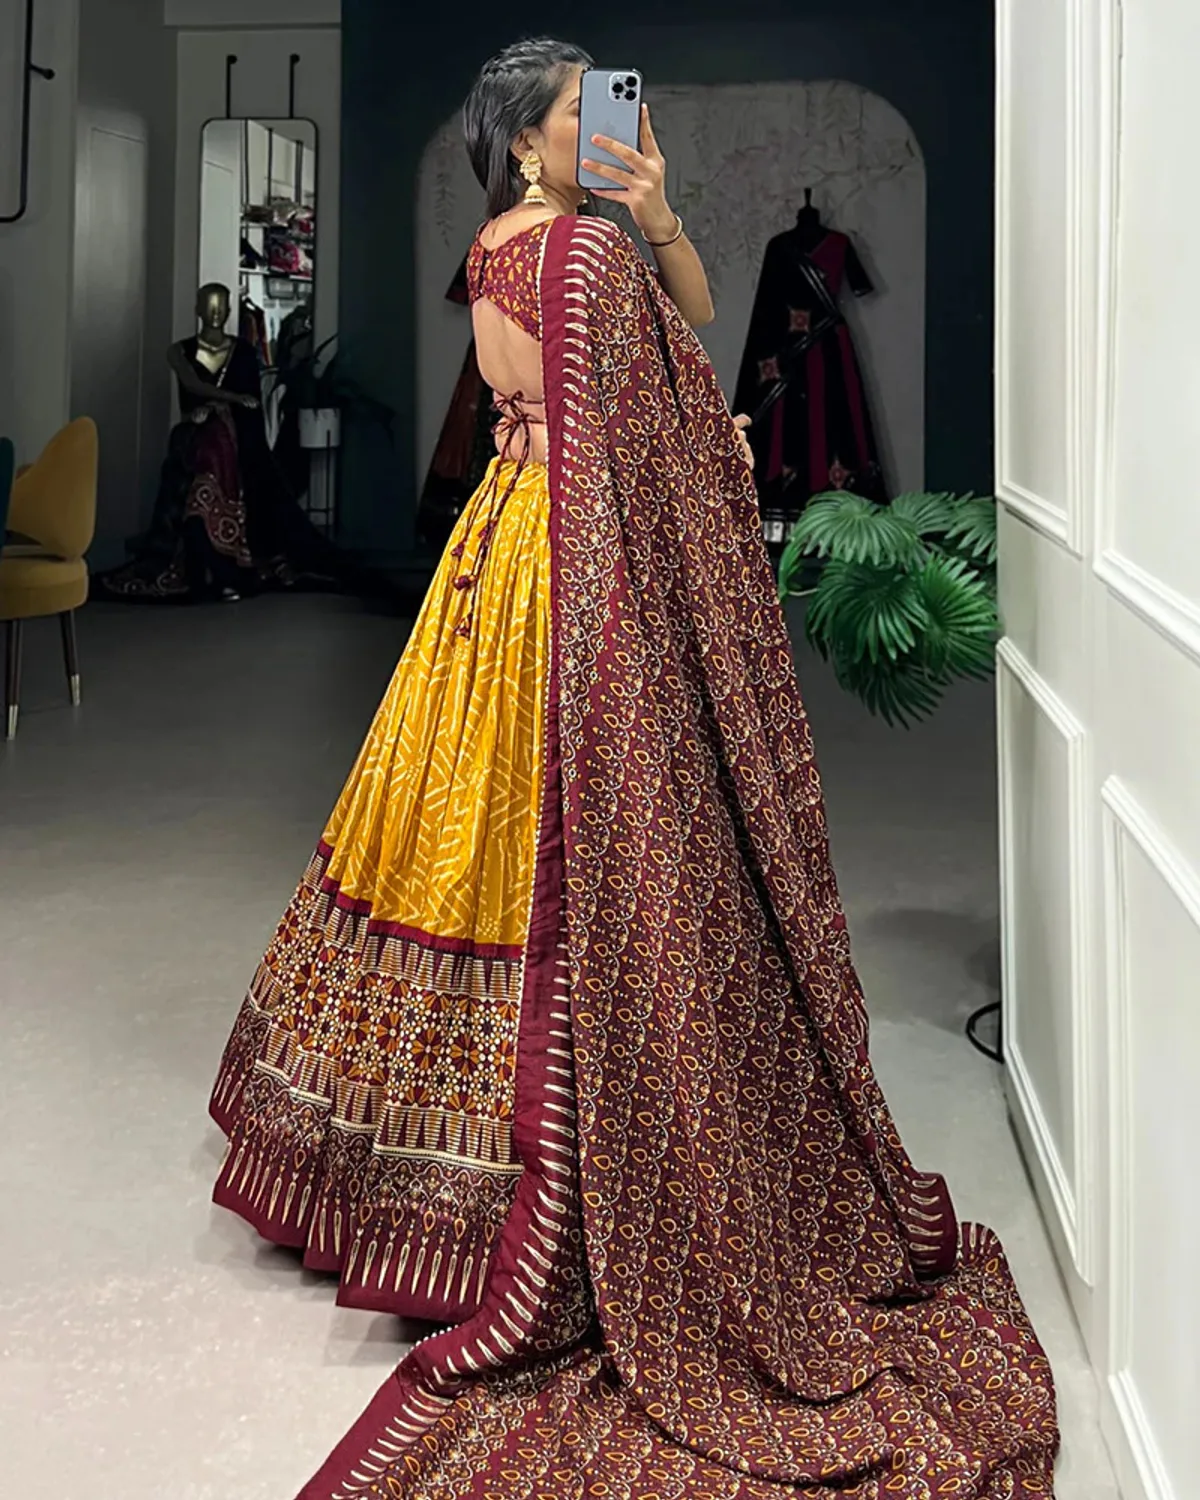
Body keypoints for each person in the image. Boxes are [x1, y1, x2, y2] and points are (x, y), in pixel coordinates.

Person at [208, 39, 1059, 1500]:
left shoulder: (502, 248)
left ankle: (390, 1182)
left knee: (447, 823)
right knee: (599, 857)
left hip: (504, 542)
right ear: (526, 141)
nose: (609, 130)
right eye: (579, 117)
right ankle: (556, 1194)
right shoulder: (587, 258)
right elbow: (666, 412)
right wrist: (711, 445)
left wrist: (658, 211)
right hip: (580, 568)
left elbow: (669, 338)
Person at [93, 284, 342, 603]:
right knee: (204, 446)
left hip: (230, 436)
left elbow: (251, 406)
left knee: (219, 444)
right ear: (197, 308)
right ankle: (201, 560)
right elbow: (192, 383)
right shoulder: (179, 350)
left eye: (221, 305)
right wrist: (230, 398)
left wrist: (226, 409)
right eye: (208, 304)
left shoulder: (243, 351)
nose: (215, 312)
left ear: (229, 310)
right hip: (194, 432)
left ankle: (226, 557)